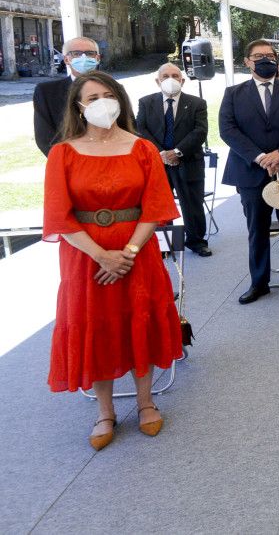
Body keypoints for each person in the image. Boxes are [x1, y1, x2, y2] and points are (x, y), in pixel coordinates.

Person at [43, 71, 182, 450]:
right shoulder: (63, 152)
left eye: (108, 94)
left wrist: (129, 254)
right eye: (93, 97)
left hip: (137, 251)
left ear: (120, 99)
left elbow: (155, 207)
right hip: (85, 256)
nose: (102, 102)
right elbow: (58, 215)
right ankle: (104, 411)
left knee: (140, 320)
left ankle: (146, 402)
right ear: (78, 106)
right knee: (95, 326)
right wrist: (101, 255)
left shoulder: (142, 148)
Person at [219, 39, 279, 303]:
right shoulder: (233, 94)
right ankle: (259, 282)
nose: (265, 60)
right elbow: (227, 131)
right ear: (248, 62)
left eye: (270, 56)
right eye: (258, 56)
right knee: (257, 230)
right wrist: (261, 157)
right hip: (251, 173)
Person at [135, 63, 211, 256]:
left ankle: (196, 241)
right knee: (159, 205)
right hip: (157, 163)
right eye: (165, 76)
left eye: (175, 76)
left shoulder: (197, 103)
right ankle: (164, 243)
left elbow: (200, 131)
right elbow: (141, 130)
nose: (171, 79)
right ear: (157, 81)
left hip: (188, 161)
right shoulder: (146, 102)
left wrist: (176, 152)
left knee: (192, 204)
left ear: (182, 80)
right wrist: (161, 154)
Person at [34, 37, 102, 156]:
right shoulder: (47, 92)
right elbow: (44, 137)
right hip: (68, 164)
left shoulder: (114, 89)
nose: (83, 58)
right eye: (76, 53)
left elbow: (127, 127)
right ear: (66, 59)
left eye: (90, 53)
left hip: (109, 161)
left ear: (97, 58)